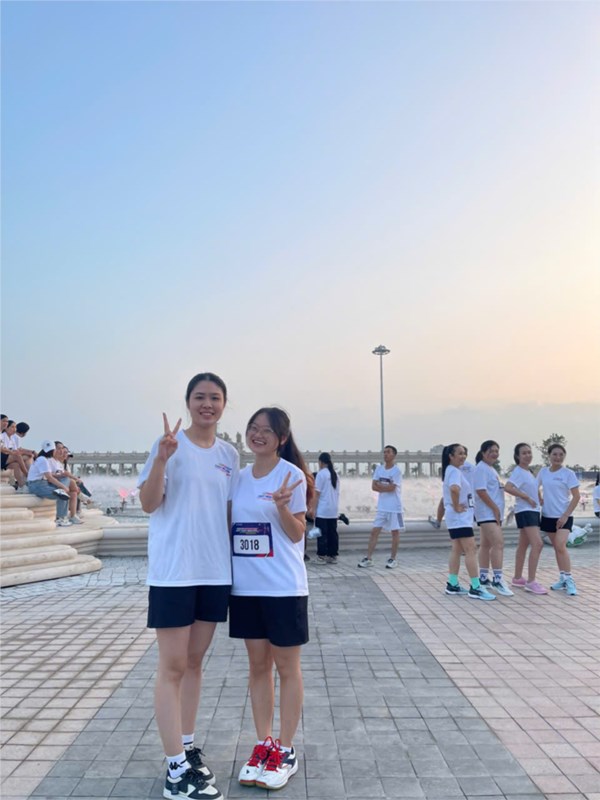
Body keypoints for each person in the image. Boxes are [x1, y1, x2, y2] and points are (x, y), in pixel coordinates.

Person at [138, 372, 239, 800]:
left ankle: (187, 746)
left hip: (214, 571)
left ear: (224, 405)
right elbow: (148, 503)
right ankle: (175, 770)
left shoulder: (230, 454)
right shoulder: (167, 446)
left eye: (215, 398)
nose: (207, 404)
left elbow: (229, 513)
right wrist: (162, 459)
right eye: (200, 397)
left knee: (194, 663)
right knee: (173, 666)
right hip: (174, 572)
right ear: (187, 402)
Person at [232, 407, 313, 791]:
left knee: (287, 668)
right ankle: (263, 743)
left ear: (281, 438)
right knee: (258, 666)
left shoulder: (291, 475)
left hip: (283, 587)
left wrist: (281, 506)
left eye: (267, 430)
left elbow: (297, 534)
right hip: (247, 588)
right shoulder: (238, 478)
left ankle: (285, 748)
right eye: (253, 428)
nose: (258, 435)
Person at [442, 443, 495, 601]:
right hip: (460, 518)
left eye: (464, 453)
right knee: (471, 549)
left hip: (456, 517)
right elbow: (454, 489)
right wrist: (456, 505)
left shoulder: (451, 470)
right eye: (459, 453)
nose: (463, 456)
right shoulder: (454, 471)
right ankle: (476, 587)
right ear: (450, 456)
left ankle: (452, 584)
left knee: (457, 549)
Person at [538, 443, 581, 596]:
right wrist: (539, 498)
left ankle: (569, 579)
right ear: (549, 456)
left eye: (561, 455)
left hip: (564, 516)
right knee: (557, 547)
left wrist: (565, 515)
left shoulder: (568, 474)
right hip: (547, 516)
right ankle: (562, 578)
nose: (558, 457)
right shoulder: (543, 472)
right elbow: (534, 486)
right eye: (555, 454)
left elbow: (576, 496)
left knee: (561, 545)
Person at [504, 443, 547, 594]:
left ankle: (517, 578)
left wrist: (539, 497)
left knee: (523, 545)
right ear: (517, 456)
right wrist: (526, 497)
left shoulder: (528, 472)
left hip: (532, 510)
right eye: (524, 453)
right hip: (526, 511)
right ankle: (531, 581)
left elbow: (532, 487)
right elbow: (508, 487)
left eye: (529, 452)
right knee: (538, 544)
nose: (528, 455)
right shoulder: (518, 472)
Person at [474, 440, 513, 596]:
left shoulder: (490, 469)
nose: (494, 454)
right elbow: (481, 491)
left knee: (485, 545)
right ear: (483, 452)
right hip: (487, 513)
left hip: (491, 513)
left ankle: (483, 578)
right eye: (491, 451)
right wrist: (495, 508)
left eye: (497, 451)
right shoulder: (481, 469)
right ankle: (498, 579)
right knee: (498, 544)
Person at [357, 445, 404, 569]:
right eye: (384, 452)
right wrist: (385, 487)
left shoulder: (397, 471)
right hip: (382, 507)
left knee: (395, 532)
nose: (385, 454)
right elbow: (373, 487)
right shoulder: (379, 469)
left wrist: (381, 486)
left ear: (394, 455)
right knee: (374, 532)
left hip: (395, 507)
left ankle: (393, 559)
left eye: (388, 452)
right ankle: (368, 558)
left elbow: (392, 488)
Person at [26, 441, 72, 525]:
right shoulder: (43, 460)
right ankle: (60, 518)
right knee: (62, 495)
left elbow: (50, 477)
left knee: (66, 481)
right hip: (37, 485)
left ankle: (62, 517)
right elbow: (50, 478)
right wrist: (63, 487)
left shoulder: (42, 459)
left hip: (42, 484)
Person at [429, 452, 475, 528]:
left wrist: (456, 507)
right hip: (470, 493)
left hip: (459, 492)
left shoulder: (454, 468)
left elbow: (453, 488)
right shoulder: (471, 466)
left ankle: (438, 521)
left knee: (444, 500)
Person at [310, 452, 341, 564]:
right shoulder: (335, 475)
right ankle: (332, 556)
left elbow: (317, 494)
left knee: (321, 534)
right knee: (333, 533)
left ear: (321, 462)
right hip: (333, 509)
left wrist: (313, 509)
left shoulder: (321, 474)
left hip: (323, 510)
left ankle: (321, 556)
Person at [1, 420, 29, 487]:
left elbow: (16, 450)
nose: (15, 429)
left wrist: (29, 452)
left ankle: (21, 486)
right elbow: (2, 449)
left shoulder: (11, 438)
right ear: (6, 428)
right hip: (2, 458)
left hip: (6, 460)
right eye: (12, 427)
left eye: (15, 427)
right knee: (17, 456)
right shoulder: (2, 436)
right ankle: (28, 475)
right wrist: (12, 452)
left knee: (16, 465)